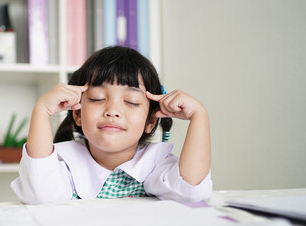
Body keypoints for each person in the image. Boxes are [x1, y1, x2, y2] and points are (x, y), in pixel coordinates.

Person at [11, 46, 212, 204]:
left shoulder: (153, 164)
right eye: (98, 98)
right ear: (77, 114)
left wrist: (198, 116)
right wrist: (41, 111)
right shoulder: (67, 165)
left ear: (151, 121)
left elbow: (191, 191)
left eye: (131, 102)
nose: (112, 110)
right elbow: (39, 195)